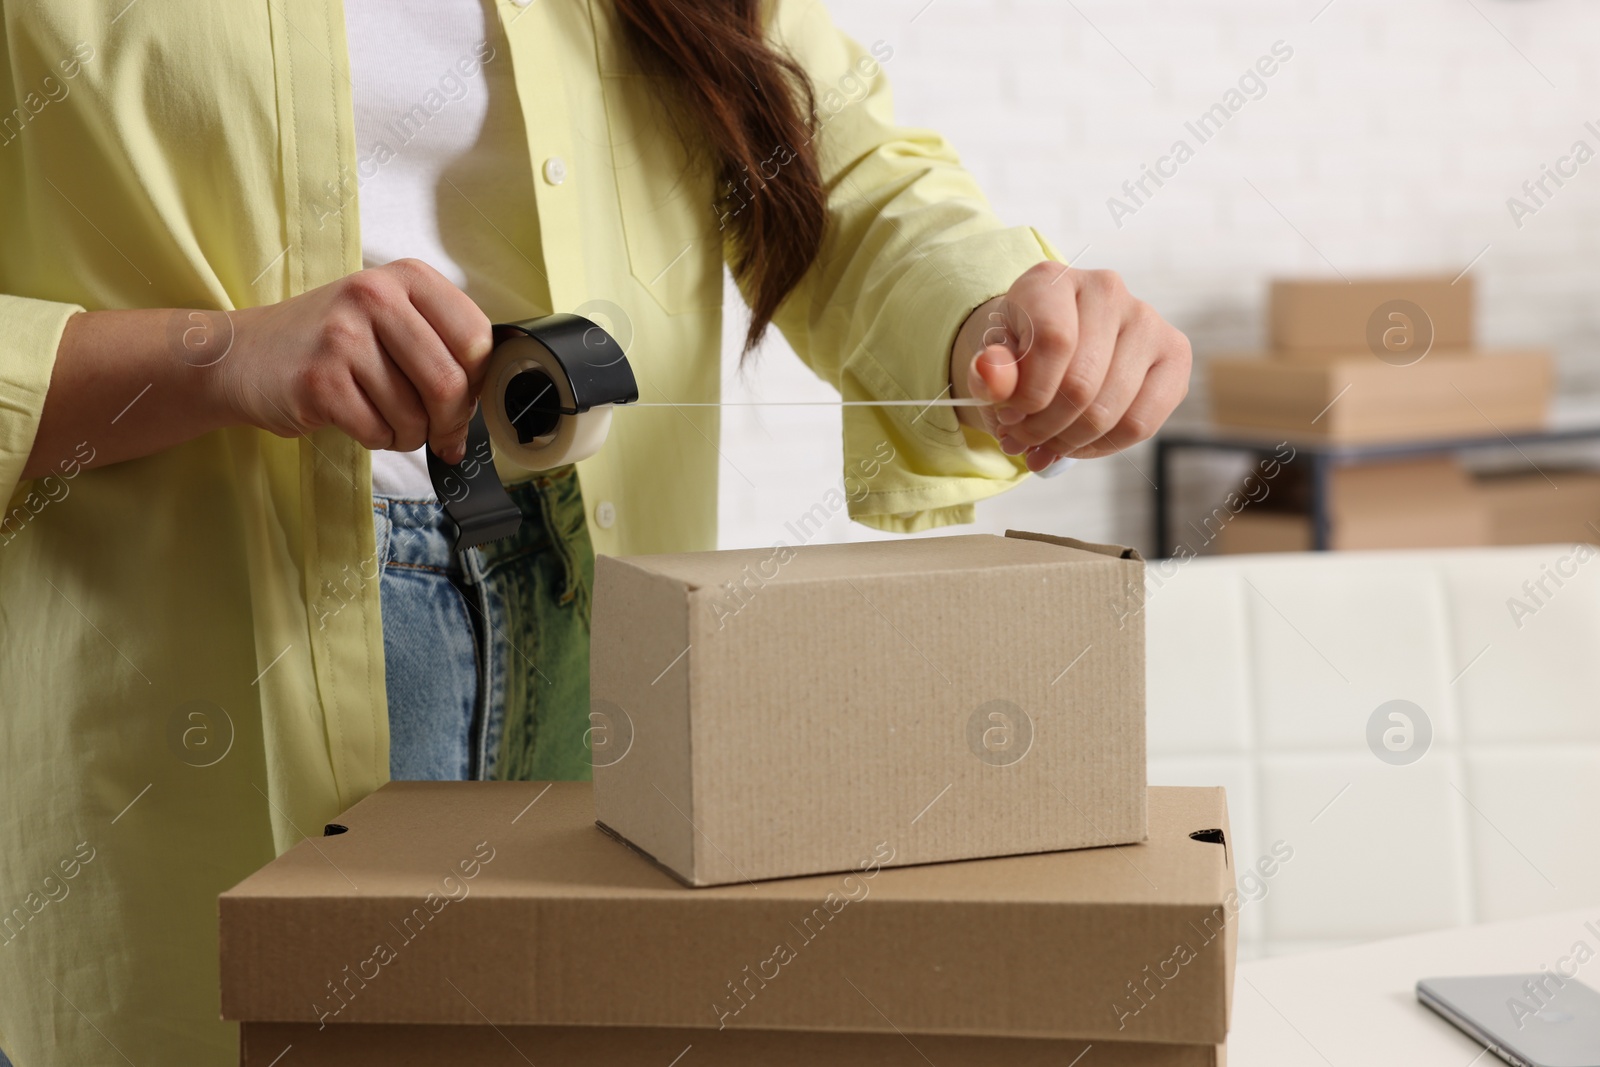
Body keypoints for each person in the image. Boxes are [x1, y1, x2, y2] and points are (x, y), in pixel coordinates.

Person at [0, 0, 1190, 1062]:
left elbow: (846, 171)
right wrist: (212, 356)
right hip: (183, 664)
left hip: (599, 610)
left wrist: (996, 322)